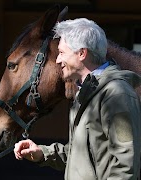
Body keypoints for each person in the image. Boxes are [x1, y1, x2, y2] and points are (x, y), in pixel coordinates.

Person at [14, 18, 141, 179]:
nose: (58, 60)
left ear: (82, 53)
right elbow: (81, 157)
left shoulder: (117, 94)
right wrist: (42, 154)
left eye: (61, 53)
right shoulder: (86, 92)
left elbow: (125, 166)